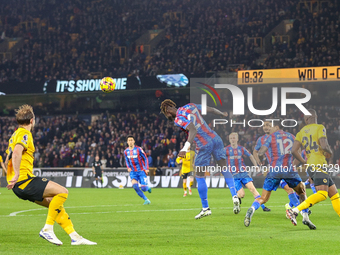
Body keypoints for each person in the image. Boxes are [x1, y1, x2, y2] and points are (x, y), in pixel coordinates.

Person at [5, 105, 96, 246]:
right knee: (62, 192)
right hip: (24, 181)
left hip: (19, 186)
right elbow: (16, 153)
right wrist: (17, 174)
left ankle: (75, 236)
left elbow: (7, 161)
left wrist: (10, 176)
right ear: (31, 121)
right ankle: (47, 228)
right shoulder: (25, 134)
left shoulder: (14, 135)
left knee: (53, 202)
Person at [160, 99, 238, 219]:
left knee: (200, 176)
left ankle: (205, 208)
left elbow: (193, 129)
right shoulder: (190, 106)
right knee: (224, 169)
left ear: (168, 110)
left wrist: (185, 148)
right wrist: (221, 114)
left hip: (203, 144)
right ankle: (234, 196)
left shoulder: (178, 118)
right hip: (216, 138)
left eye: (166, 113)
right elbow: (210, 109)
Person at [244, 120, 315, 229]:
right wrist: (294, 165)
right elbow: (298, 152)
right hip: (289, 170)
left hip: (274, 170)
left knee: (264, 198)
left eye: (271, 126)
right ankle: (305, 217)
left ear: (276, 127)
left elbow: (261, 151)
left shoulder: (270, 137)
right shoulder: (291, 136)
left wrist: (261, 158)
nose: (269, 129)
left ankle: (252, 209)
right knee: (301, 191)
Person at [287, 109, 340, 224]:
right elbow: (324, 145)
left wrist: (303, 161)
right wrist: (330, 152)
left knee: (335, 195)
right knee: (322, 194)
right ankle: (294, 211)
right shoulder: (320, 127)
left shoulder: (301, 132)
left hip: (311, 165)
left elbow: (294, 150)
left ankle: (295, 210)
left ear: (306, 119)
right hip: (319, 164)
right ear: (315, 117)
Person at [253, 121, 300, 215]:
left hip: (283, 168)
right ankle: (300, 210)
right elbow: (255, 151)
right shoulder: (261, 139)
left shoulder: (278, 137)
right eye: (264, 125)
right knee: (291, 189)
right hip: (275, 170)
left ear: (274, 127)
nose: (266, 127)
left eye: (269, 125)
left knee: (294, 190)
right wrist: (258, 161)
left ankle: (294, 208)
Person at [226, 133, 270, 213]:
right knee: (242, 195)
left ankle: (263, 206)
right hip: (234, 176)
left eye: (234, 138)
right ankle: (237, 197)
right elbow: (220, 158)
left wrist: (256, 165)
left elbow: (250, 156)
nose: (232, 139)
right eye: (231, 138)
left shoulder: (241, 149)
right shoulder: (226, 149)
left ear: (237, 139)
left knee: (252, 189)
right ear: (229, 140)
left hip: (243, 173)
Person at [124, 135, 151, 205]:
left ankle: (147, 187)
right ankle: (146, 200)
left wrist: (146, 168)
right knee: (135, 186)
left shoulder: (139, 149)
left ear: (134, 141)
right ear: (127, 142)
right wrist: (128, 167)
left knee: (144, 188)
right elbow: (126, 160)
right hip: (133, 172)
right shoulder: (126, 151)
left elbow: (145, 158)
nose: (130, 142)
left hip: (141, 171)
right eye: (129, 140)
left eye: (131, 140)